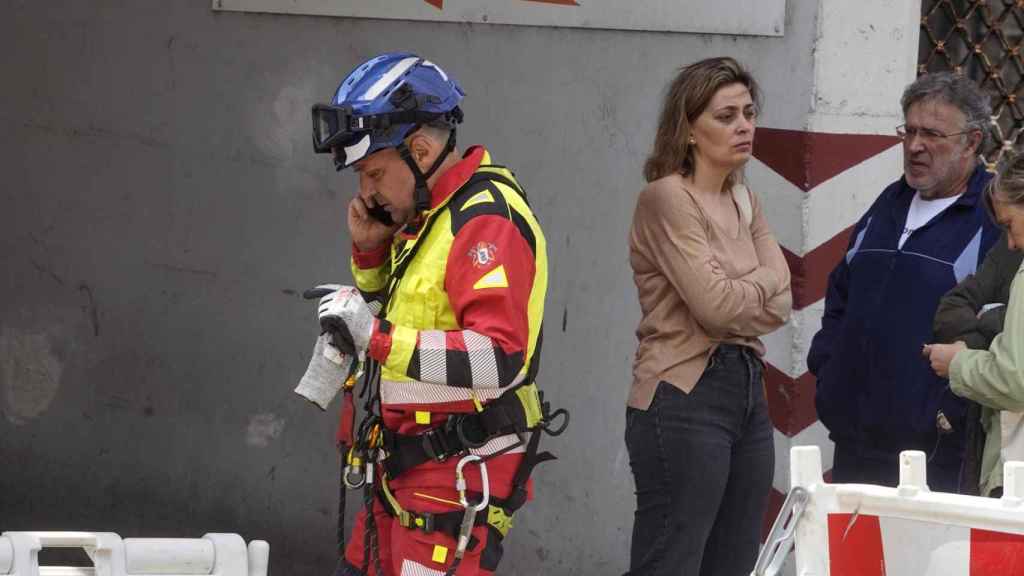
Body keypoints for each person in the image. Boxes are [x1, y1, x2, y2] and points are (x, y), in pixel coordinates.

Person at [309, 53, 554, 576]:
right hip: (404, 470)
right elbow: (402, 320)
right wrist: (371, 255)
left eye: (372, 172)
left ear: (419, 149)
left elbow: (497, 359)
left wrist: (375, 337)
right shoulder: (430, 218)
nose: (365, 192)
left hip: (455, 473)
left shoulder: (485, 220)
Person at [626, 57, 792, 576]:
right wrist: (760, 284)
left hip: (746, 386)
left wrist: (744, 291)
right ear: (690, 130)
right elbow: (715, 307)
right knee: (671, 559)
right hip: (682, 389)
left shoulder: (745, 199)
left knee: (735, 559)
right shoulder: (667, 198)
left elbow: (784, 302)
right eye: (725, 116)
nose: (743, 126)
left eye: (748, 113)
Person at [807, 72, 1000, 492]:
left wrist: (948, 408)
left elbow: (998, 324)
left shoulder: (992, 218)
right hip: (855, 440)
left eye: (932, 134)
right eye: (909, 131)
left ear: (972, 141)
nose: (915, 146)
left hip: (936, 453)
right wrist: (828, 367)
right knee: (851, 558)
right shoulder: (888, 204)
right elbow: (841, 292)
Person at [925, 152, 1024, 497]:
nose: (1011, 242)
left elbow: (1015, 380)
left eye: (1010, 224)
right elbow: (951, 308)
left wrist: (959, 362)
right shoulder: (1009, 255)